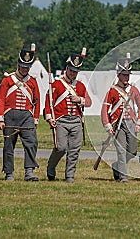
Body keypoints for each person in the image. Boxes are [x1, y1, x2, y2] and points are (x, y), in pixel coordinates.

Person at [44, 48, 92, 183]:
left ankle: (69, 175)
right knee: (61, 147)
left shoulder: (81, 86)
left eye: (76, 71)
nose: (73, 74)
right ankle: (51, 167)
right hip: (61, 120)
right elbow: (49, 101)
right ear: (66, 69)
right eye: (71, 70)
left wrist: (80, 100)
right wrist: (49, 118)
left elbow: (88, 102)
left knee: (74, 150)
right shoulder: (57, 84)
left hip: (76, 120)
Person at [0, 44, 40, 181]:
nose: (25, 69)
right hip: (10, 115)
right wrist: (0, 118)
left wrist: (35, 118)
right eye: (23, 66)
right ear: (18, 65)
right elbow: (0, 99)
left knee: (31, 142)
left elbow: (36, 100)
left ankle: (29, 172)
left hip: (27, 116)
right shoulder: (8, 80)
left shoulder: (32, 81)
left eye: (27, 67)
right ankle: (9, 173)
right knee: (9, 145)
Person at [101, 53, 140, 182]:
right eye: (124, 74)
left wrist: (139, 122)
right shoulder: (112, 91)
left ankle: (117, 166)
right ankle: (123, 177)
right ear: (118, 74)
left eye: (128, 74)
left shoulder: (133, 89)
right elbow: (104, 109)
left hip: (131, 123)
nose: (126, 77)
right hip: (117, 124)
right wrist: (107, 125)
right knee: (121, 151)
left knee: (132, 151)